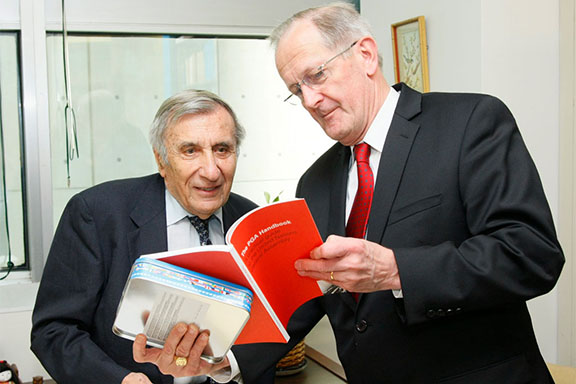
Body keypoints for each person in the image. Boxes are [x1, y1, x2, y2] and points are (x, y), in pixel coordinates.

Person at [137, 3, 565, 383]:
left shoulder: (469, 122)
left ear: (365, 54)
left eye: (316, 75)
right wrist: (222, 361)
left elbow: (531, 255)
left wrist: (397, 270)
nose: (310, 99)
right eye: (295, 89)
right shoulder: (316, 181)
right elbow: (307, 299)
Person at [30, 89, 257, 384]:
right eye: (190, 151)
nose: (211, 171)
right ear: (161, 161)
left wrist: (232, 365)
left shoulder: (251, 222)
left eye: (222, 149)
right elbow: (53, 330)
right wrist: (120, 381)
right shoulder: (97, 214)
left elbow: (276, 325)